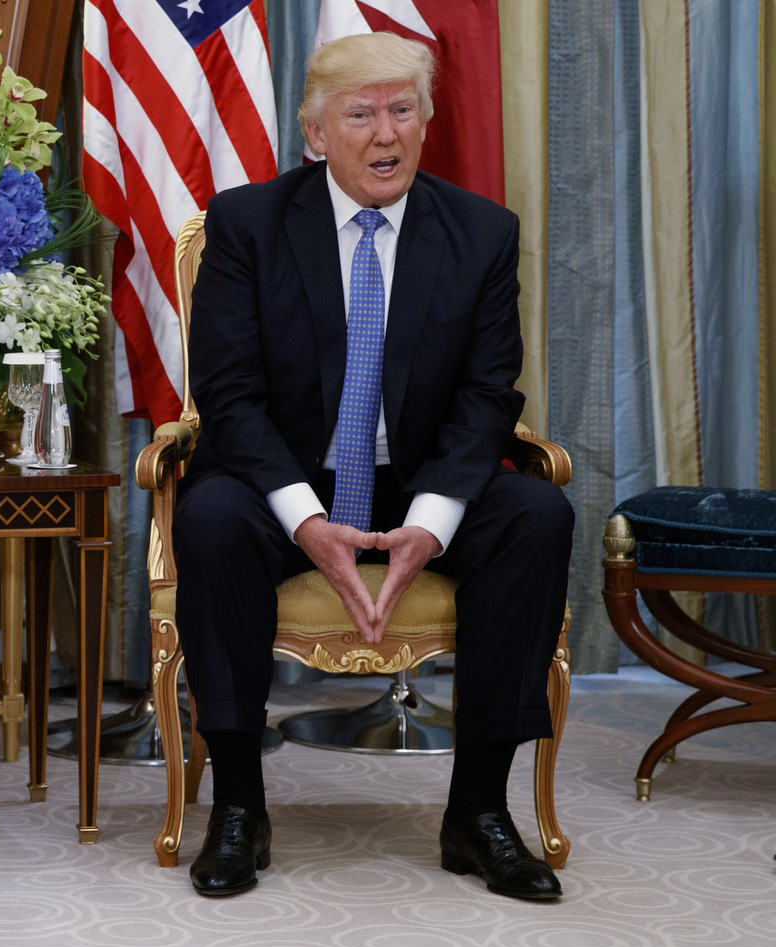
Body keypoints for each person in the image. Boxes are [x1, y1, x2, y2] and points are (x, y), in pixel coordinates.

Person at [172, 32, 573, 902]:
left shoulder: (480, 232)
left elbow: (485, 396)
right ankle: (239, 804)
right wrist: (307, 521)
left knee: (538, 518)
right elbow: (229, 395)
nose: (385, 132)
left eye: (403, 110)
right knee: (208, 516)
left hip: (415, 478)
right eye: (361, 114)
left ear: (425, 123)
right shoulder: (247, 225)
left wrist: (429, 526)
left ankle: (479, 813)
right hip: (282, 474)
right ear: (318, 134)